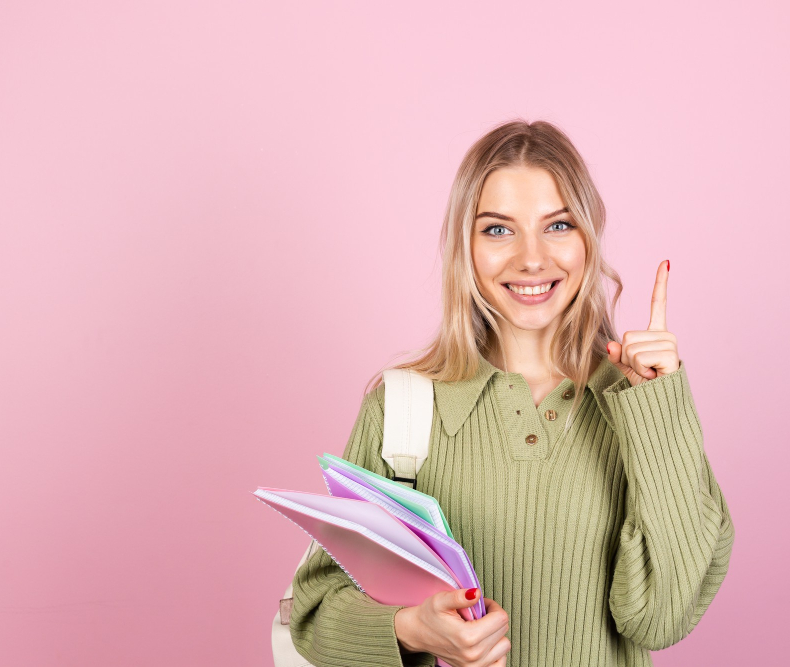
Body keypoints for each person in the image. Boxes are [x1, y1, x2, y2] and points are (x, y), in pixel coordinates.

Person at [288, 119, 734, 667]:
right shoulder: (403, 408)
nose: (531, 258)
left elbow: (660, 617)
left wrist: (660, 407)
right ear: (466, 246)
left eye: (559, 225)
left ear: (589, 238)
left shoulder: (643, 406)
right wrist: (412, 630)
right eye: (499, 229)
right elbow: (314, 615)